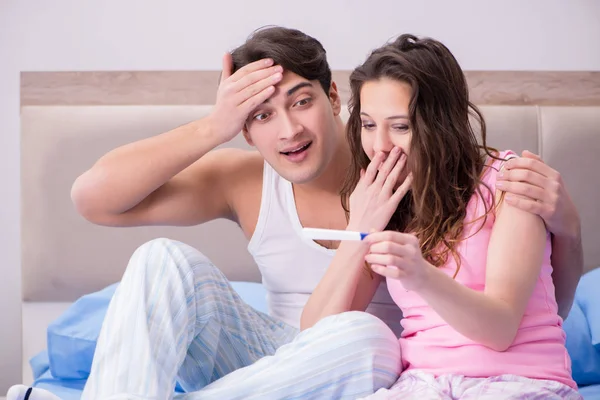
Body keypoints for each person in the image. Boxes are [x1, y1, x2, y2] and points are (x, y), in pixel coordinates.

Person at [6, 27, 583, 400]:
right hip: (265, 359)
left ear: (334, 98)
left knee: (363, 336)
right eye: (260, 115)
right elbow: (93, 198)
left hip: (355, 366)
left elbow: (532, 309)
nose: (287, 131)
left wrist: (570, 229)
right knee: (163, 259)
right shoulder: (245, 180)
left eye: (301, 101)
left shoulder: (412, 173)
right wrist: (214, 127)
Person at [303, 34, 582, 399]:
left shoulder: (508, 183)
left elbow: (500, 329)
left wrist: (421, 275)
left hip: (518, 381)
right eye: (369, 125)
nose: (380, 146)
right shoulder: (388, 205)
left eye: (400, 126)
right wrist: (360, 226)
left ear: (440, 125)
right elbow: (313, 340)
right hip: (422, 385)